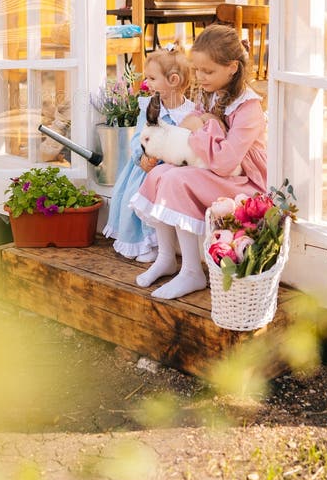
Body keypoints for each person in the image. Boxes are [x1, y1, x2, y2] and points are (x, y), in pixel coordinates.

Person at [129, 23, 267, 300]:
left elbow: (226, 162)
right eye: (198, 70)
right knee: (160, 174)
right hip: (215, 169)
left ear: (232, 67)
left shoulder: (248, 108)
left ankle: (192, 272)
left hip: (245, 182)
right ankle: (167, 257)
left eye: (208, 71)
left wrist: (201, 127)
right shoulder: (210, 94)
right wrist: (202, 124)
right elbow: (193, 128)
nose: (200, 77)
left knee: (178, 180)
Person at [102, 44, 195, 263]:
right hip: (146, 166)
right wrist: (141, 156)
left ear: (173, 80)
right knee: (136, 202)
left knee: (159, 204)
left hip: (171, 169)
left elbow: (189, 142)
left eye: (152, 79)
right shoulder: (151, 106)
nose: (146, 84)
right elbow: (138, 138)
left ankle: (159, 246)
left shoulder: (190, 113)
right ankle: (142, 244)